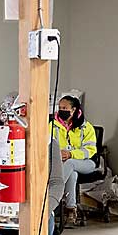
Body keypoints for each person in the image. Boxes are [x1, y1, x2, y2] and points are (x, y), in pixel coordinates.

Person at [51, 95, 98, 224]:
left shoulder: (86, 127)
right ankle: (71, 208)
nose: (61, 110)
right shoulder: (52, 126)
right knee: (72, 173)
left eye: (65, 108)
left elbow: (90, 150)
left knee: (71, 164)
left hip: (87, 162)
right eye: (60, 108)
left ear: (74, 110)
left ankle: (52, 192)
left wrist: (71, 154)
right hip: (62, 164)